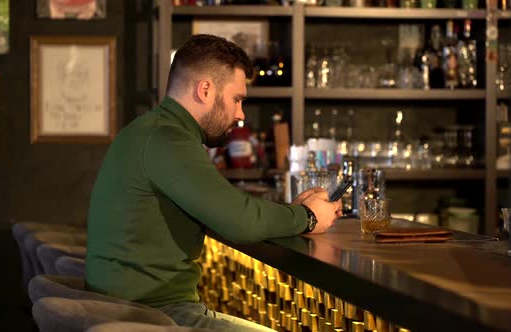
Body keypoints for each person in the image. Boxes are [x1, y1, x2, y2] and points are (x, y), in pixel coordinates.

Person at [85, 34, 342, 331]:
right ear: (205, 89)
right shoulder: (166, 139)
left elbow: (228, 208)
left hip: (133, 309)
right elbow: (239, 220)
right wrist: (308, 217)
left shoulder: (152, 131)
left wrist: (291, 215)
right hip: (149, 315)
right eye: (237, 99)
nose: (241, 115)